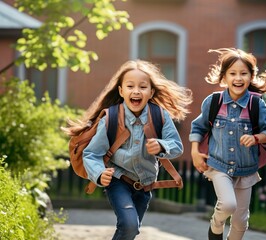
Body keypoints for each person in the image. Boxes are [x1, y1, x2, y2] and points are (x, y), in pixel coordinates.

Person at [62, 59, 193, 240]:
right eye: (130, 86)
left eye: (142, 87)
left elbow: (176, 146)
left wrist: (162, 146)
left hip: (145, 185)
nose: (136, 91)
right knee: (130, 225)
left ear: (151, 92)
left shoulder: (159, 115)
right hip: (118, 181)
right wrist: (99, 173)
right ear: (121, 91)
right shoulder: (111, 118)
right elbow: (92, 153)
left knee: (130, 230)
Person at [189, 48, 266, 240]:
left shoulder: (257, 104)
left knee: (240, 222)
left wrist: (256, 138)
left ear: (251, 76)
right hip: (219, 165)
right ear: (224, 77)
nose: (238, 78)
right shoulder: (213, 102)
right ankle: (216, 225)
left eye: (243, 73)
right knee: (228, 204)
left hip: (246, 169)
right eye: (233, 73)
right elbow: (198, 128)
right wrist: (195, 152)